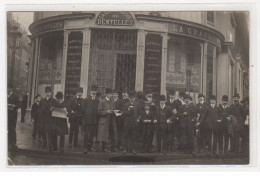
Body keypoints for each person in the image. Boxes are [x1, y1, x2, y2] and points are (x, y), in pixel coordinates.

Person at [82, 85, 99, 153]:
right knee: (86, 134)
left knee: (92, 134)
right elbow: (83, 110)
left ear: (96, 91)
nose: (94, 92)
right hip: (87, 120)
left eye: (95, 91)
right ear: (90, 91)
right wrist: (83, 120)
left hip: (94, 120)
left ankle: (90, 146)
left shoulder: (97, 100)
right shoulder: (86, 99)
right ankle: (85, 147)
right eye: (92, 90)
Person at [97, 88, 115, 152]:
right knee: (104, 135)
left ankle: (108, 147)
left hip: (110, 120)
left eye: (111, 94)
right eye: (109, 94)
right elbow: (98, 112)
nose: (111, 95)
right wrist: (106, 112)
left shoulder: (112, 101)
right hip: (104, 121)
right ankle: (103, 148)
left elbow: (113, 109)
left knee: (109, 134)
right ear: (106, 94)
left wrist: (115, 112)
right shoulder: (102, 101)